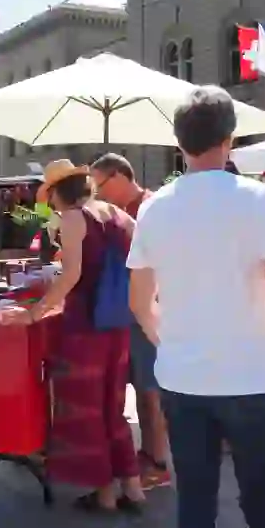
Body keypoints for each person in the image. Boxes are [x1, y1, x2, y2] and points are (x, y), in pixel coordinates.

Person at [127, 86, 265, 528]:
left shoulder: (156, 207)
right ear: (229, 139)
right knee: (261, 504)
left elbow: (140, 300)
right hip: (249, 378)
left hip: (183, 383)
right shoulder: (254, 198)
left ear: (178, 144)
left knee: (195, 509)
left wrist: (170, 339)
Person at [3, 159, 145, 513]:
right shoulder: (116, 214)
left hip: (85, 325)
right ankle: (133, 486)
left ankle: (105, 494)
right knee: (112, 408)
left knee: (85, 408)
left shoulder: (72, 219)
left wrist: (33, 312)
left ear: (55, 193)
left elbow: (71, 277)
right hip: (118, 323)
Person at [90, 152, 170, 490]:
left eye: (100, 184)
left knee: (151, 392)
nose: (99, 192)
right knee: (142, 388)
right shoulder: (128, 212)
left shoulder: (149, 209)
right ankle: (149, 456)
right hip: (134, 312)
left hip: (148, 311)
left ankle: (159, 463)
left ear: (120, 176)